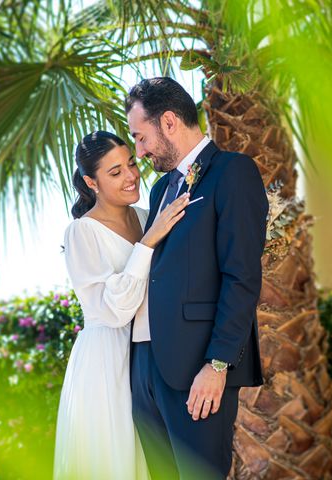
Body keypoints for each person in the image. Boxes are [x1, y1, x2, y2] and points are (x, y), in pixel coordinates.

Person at [126, 77, 269, 479]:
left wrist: (218, 364)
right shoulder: (159, 192)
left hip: (198, 368)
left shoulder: (232, 173)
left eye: (141, 137)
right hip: (148, 366)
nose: (140, 151)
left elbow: (241, 276)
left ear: (168, 121)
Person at [53, 130, 188, 480]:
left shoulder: (147, 216)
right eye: (115, 172)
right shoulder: (82, 232)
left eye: (131, 163)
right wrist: (149, 241)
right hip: (106, 362)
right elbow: (114, 309)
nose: (130, 176)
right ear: (90, 182)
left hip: (152, 356)